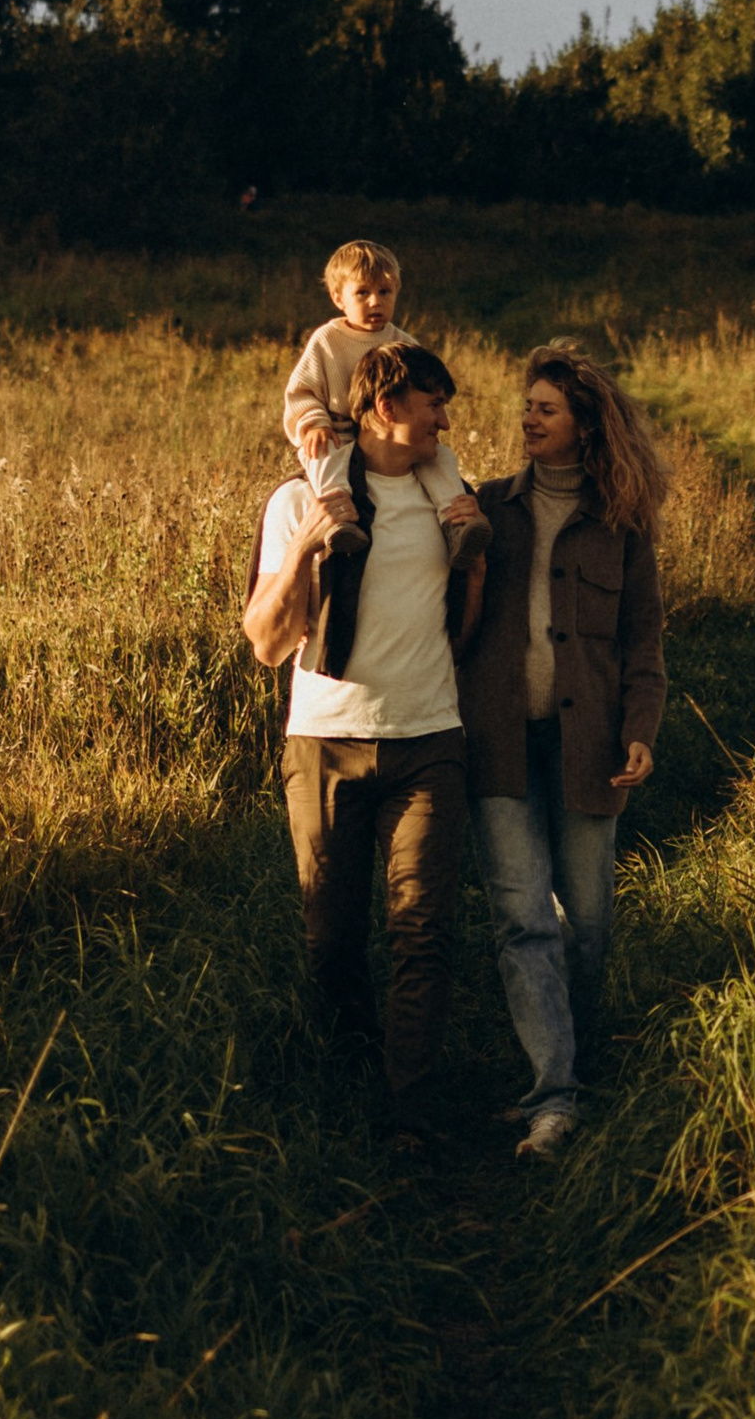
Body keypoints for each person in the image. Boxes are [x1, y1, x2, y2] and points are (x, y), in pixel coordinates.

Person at [244, 336, 481, 1146]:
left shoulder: (452, 501)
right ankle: (347, 1087)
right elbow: (268, 641)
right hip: (325, 744)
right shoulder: (295, 501)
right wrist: (310, 542)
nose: (445, 422)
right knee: (333, 936)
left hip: (429, 743)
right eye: (433, 406)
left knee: (422, 929)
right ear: (386, 407)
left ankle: (408, 1113)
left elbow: (469, 628)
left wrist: (475, 559)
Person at [455, 346, 667, 1162]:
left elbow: (643, 642)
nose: (528, 419)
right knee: (520, 920)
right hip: (498, 742)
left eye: (545, 408)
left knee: (588, 921)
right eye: (527, 406)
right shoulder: (489, 508)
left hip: (591, 748)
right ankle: (555, 1096)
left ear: (586, 425)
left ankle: (569, 1069)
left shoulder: (622, 526)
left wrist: (641, 731)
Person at [283, 238, 486, 568]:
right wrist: (313, 422)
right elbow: (303, 391)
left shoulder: (402, 342)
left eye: (385, 292)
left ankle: (455, 523)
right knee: (321, 454)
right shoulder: (327, 341)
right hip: (339, 429)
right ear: (339, 298)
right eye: (362, 293)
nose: (375, 302)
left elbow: (425, 385)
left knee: (439, 459)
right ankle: (341, 520)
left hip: (391, 434)